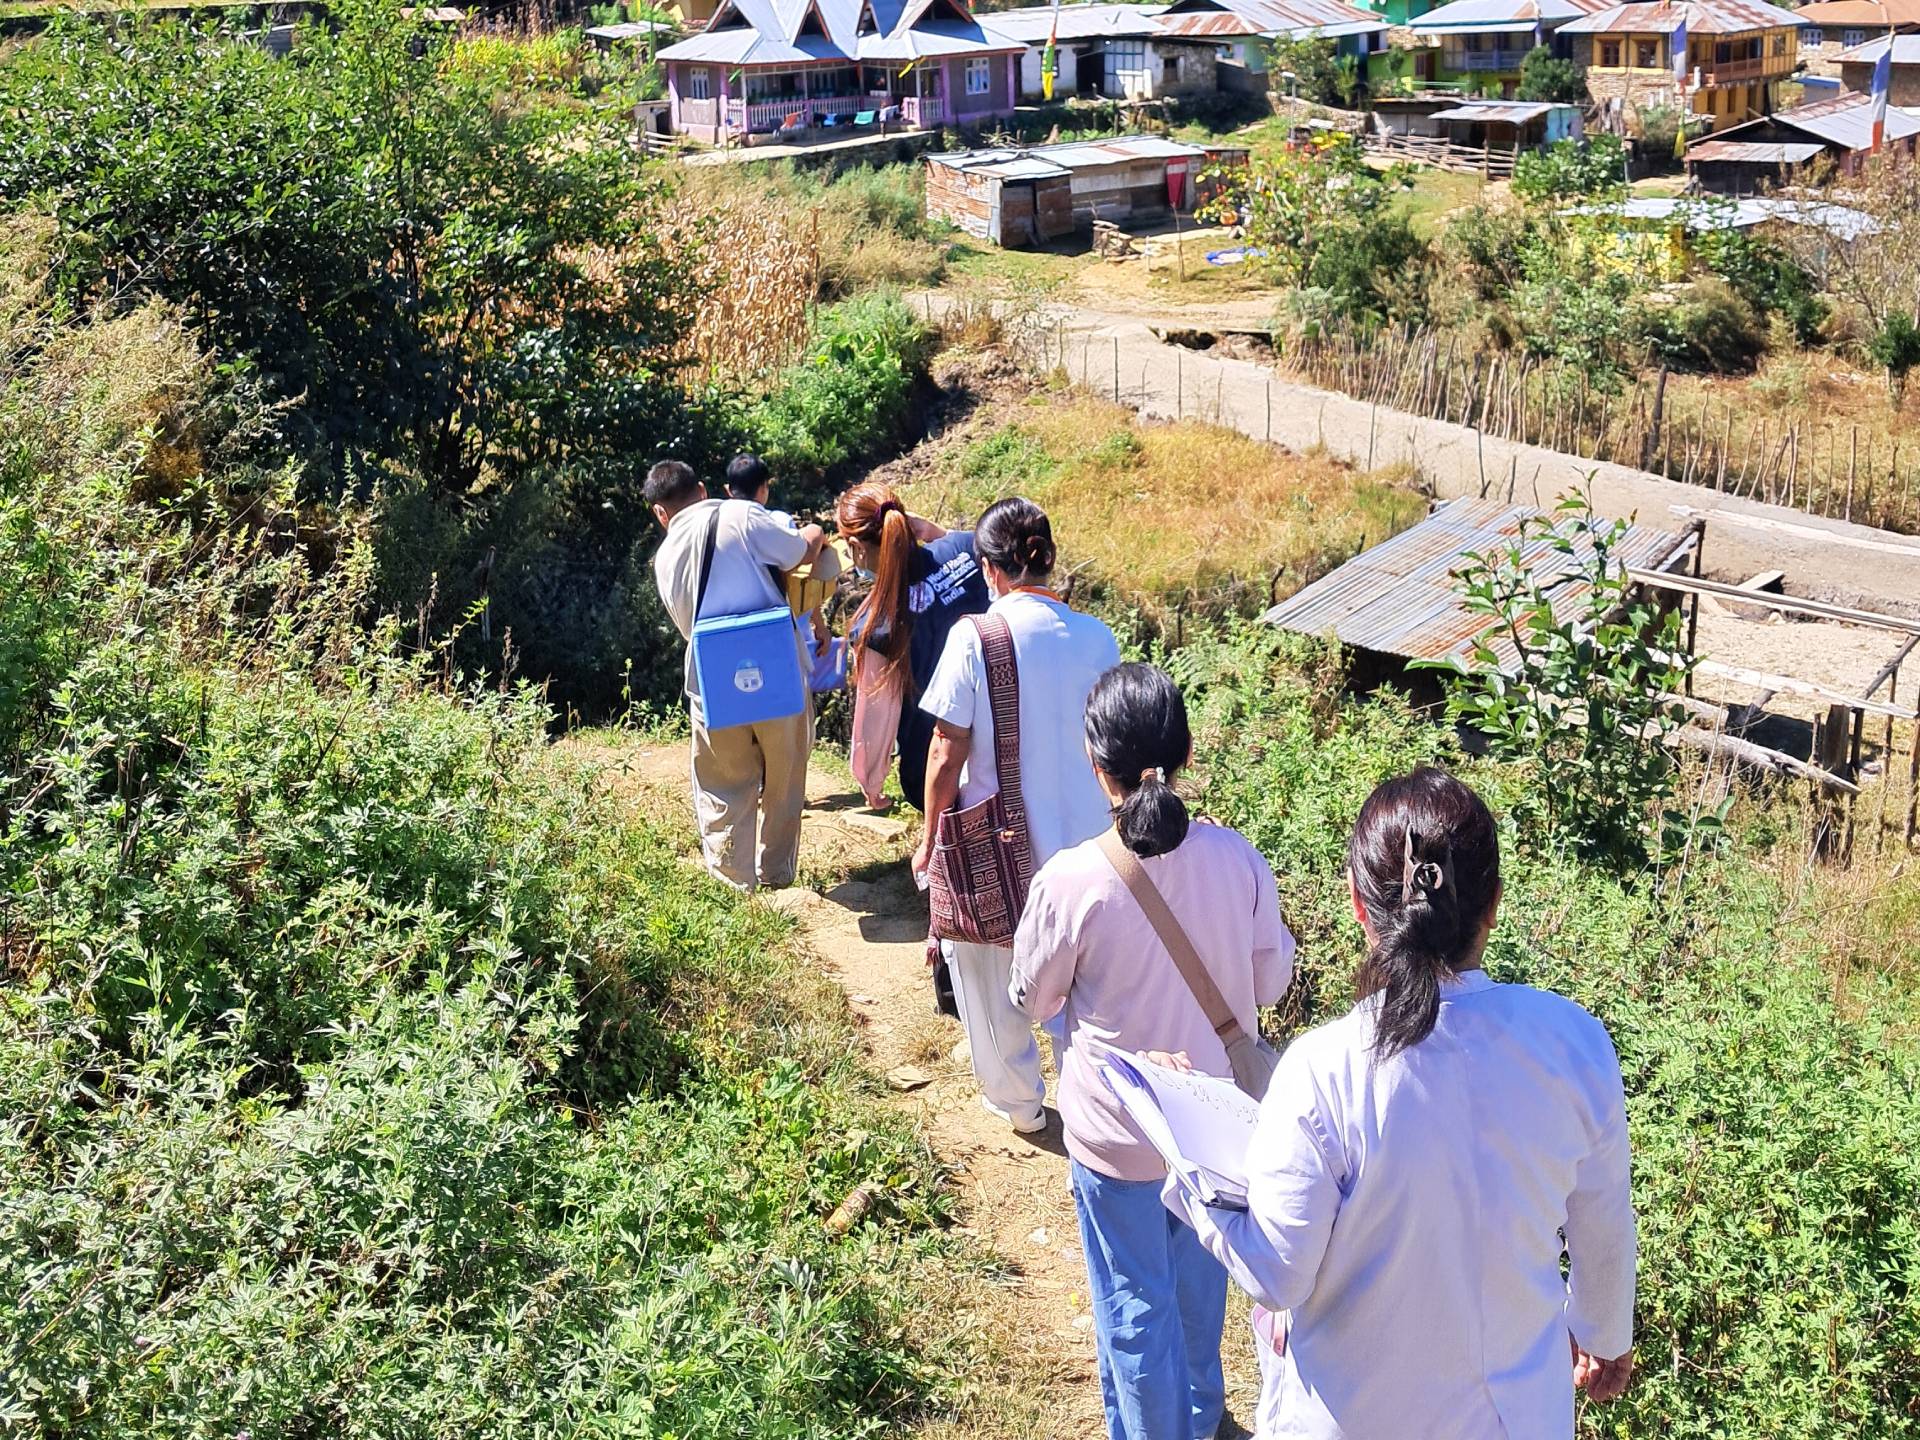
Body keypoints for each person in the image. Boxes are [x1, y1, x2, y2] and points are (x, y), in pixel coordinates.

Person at [1163, 767, 1637, 1440]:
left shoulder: (1324, 1069)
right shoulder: (1573, 1043)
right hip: (1516, 1419)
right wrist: (1602, 1333)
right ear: (1494, 904)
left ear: (1358, 904)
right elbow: (1605, 1228)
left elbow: (1277, 1273)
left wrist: (1187, 1161)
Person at [1011, 662, 1296, 1440]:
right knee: (1200, 1297)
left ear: (1095, 765)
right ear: (1186, 756)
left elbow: (1034, 999)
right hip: (1217, 1132)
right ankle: (1199, 1420)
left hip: (1118, 1134)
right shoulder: (1238, 859)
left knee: (1133, 1306)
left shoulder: (1071, 882)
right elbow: (1271, 983)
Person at [912, 496, 1120, 1133]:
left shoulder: (975, 636)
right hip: (1094, 850)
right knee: (1086, 982)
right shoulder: (1098, 637)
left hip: (1001, 845)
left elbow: (947, 751)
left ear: (986, 568)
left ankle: (1019, 1103)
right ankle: (1099, 1105)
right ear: (1049, 559)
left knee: (985, 969)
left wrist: (928, 839)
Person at [646, 458, 826, 892]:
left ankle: (733, 882)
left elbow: (686, 625)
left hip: (714, 681)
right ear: (704, 490)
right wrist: (815, 533)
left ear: (659, 512)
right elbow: (797, 552)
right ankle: (778, 875)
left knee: (723, 781)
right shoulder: (743, 514)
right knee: (785, 773)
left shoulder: (664, 556)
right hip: (777, 670)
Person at [835, 480, 989, 810]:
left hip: (934, 763)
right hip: (1000, 737)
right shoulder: (966, 549)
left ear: (855, 546)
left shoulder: (876, 625)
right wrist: (934, 531)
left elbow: (874, 717)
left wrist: (870, 779)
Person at [725, 452, 835, 664]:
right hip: (788, 633)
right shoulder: (779, 522)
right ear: (765, 488)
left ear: (728, 491)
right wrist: (820, 626)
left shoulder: (721, 533)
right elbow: (802, 577)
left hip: (745, 639)